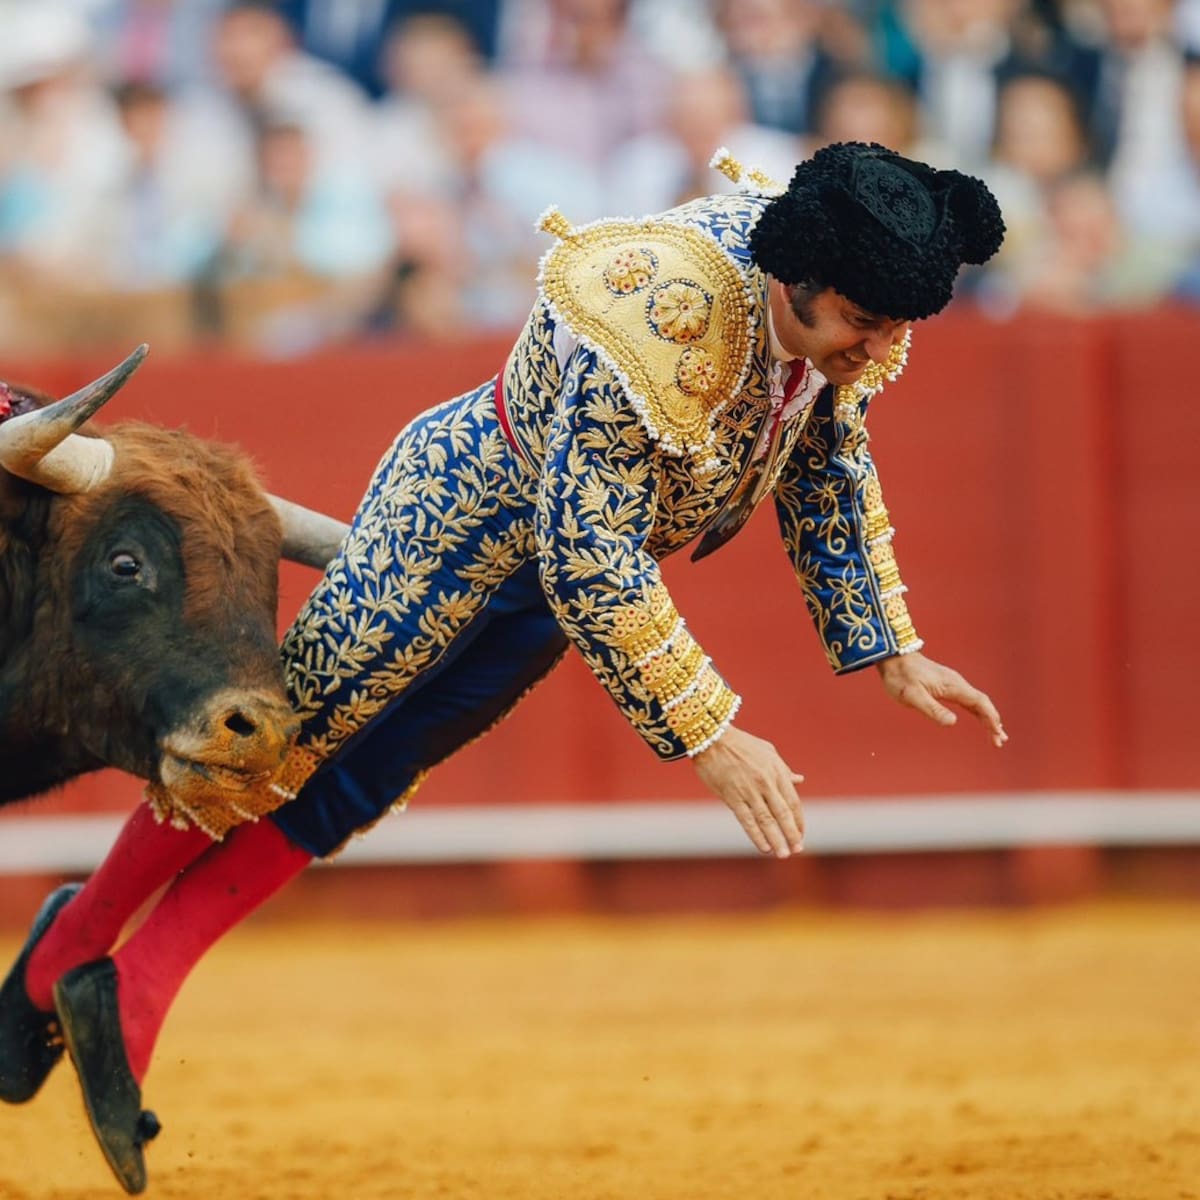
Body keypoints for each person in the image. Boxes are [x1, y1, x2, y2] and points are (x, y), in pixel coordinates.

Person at [0, 141, 1008, 1195]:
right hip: (456, 523)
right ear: (797, 279)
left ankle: (136, 980)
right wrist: (709, 734)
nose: (879, 348)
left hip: (551, 581)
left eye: (896, 327)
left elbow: (826, 458)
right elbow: (590, 555)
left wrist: (891, 648)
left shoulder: (840, 316)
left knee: (367, 778)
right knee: (277, 744)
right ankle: (75, 945)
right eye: (863, 321)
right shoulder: (658, 312)